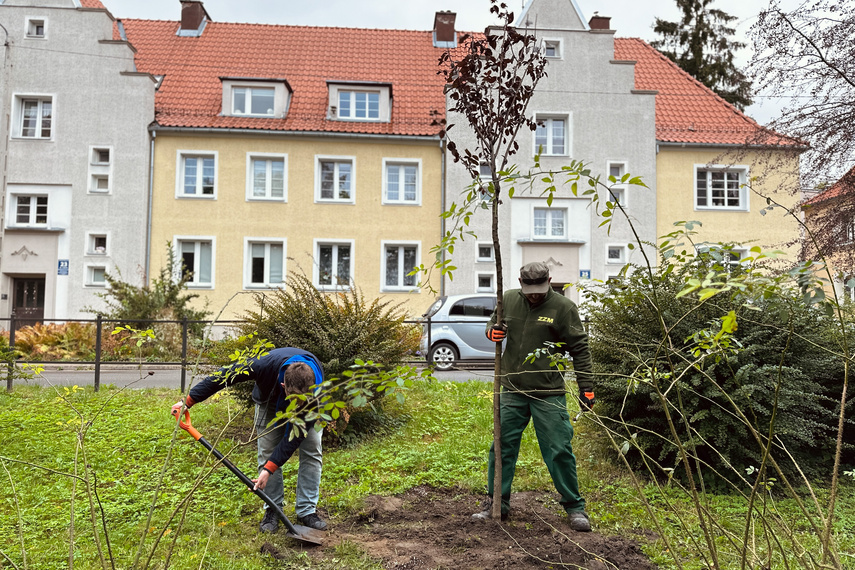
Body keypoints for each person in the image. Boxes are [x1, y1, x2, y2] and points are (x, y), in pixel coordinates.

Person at [472, 261, 595, 532]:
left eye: (540, 289)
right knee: (500, 447)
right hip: (512, 389)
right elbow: (494, 322)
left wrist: (587, 388)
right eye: (529, 290)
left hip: (547, 392)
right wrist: (492, 331)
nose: (534, 295)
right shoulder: (509, 300)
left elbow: (580, 350)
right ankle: (497, 504)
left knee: (559, 449)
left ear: (549, 280)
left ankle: (575, 508)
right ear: (520, 282)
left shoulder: (564, 309)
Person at [171, 347, 328, 533]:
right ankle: (273, 509)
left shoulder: (314, 390)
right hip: (269, 400)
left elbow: (292, 439)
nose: (297, 405)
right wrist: (187, 402)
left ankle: (306, 511)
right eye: (295, 399)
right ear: (284, 386)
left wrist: (269, 469)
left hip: (310, 409)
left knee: (312, 449)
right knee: (268, 450)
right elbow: (224, 376)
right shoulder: (262, 365)